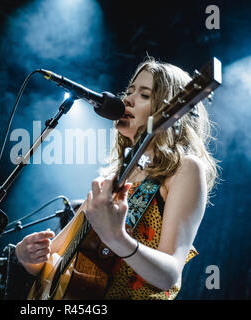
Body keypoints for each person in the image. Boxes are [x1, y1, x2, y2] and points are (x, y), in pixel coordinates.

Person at [15, 57, 220, 299]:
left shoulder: (183, 169)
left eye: (144, 95)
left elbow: (168, 276)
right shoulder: (111, 181)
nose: (127, 100)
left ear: (170, 109)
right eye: (130, 91)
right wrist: (28, 258)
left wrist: (116, 238)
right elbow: (55, 256)